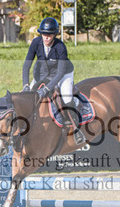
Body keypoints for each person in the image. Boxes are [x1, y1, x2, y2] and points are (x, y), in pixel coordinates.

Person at [22, 17, 85, 145]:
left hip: (63, 74)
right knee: (28, 97)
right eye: (44, 34)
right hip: (43, 74)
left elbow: (60, 72)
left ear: (54, 35)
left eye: (49, 34)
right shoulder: (36, 43)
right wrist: (26, 85)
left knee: (66, 98)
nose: (46, 37)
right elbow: (26, 65)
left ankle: (75, 127)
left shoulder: (60, 47)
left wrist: (47, 88)